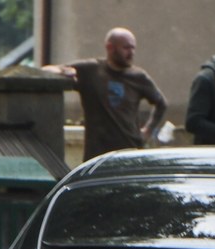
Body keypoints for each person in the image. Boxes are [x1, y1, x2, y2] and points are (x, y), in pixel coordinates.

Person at [43, 27, 167, 159]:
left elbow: (161, 103)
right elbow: (47, 70)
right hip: (97, 153)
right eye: (126, 48)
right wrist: (64, 72)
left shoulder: (138, 77)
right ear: (110, 47)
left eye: (133, 48)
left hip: (130, 149)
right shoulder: (91, 71)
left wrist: (147, 131)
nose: (131, 53)